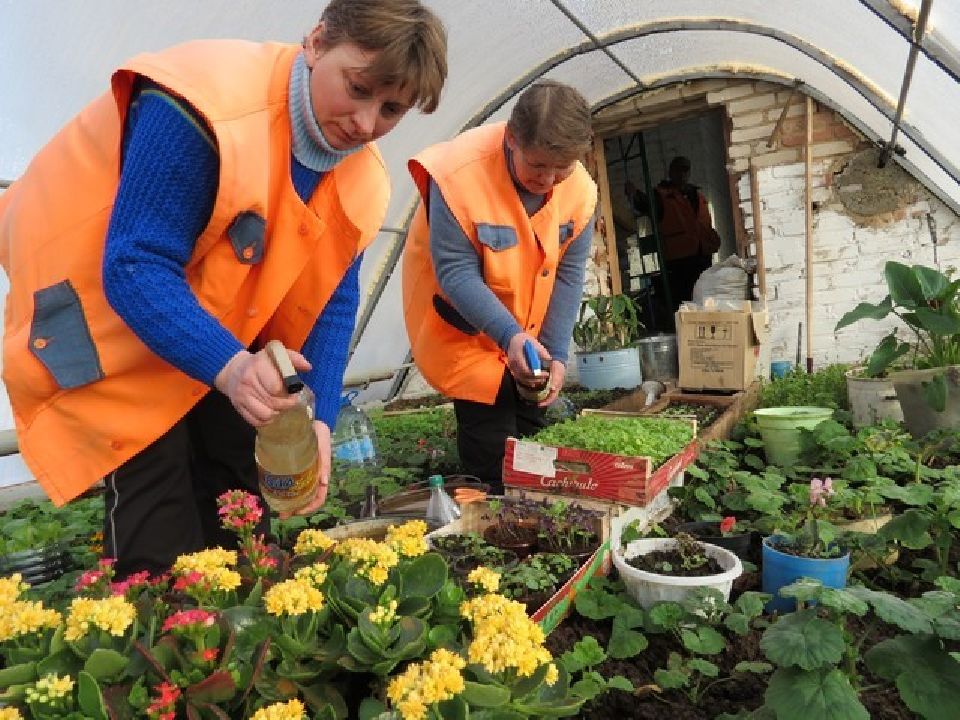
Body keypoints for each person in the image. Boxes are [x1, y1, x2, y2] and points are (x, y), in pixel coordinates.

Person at [0, 0, 447, 578]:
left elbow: (333, 303)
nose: (365, 124)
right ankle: (167, 648)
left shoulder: (360, 178)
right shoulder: (203, 106)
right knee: (158, 533)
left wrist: (321, 420)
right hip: (107, 304)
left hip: (214, 319)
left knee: (242, 505)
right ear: (315, 44)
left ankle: (242, 642)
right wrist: (232, 368)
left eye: (391, 109)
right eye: (358, 88)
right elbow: (135, 265)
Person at [402, 81, 597, 494]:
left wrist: (556, 353)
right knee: (493, 446)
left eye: (561, 168)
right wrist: (508, 335)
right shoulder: (457, 175)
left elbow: (569, 272)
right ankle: (488, 521)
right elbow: (454, 271)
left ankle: (534, 520)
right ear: (512, 139)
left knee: (534, 436)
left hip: (530, 334)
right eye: (537, 165)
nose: (548, 179)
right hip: (466, 328)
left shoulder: (580, 190)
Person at [626, 155, 721, 312]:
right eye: (678, 170)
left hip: (702, 256)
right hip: (679, 262)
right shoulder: (661, 196)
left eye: (685, 170)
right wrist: (633, 194)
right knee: (683, 303)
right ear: (670, 172)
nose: (682, 174)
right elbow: (644, 204)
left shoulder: (698, 196)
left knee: (704, 300)